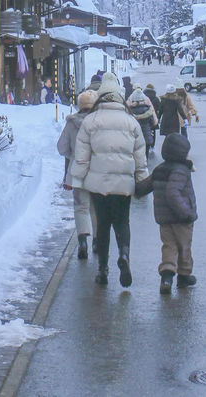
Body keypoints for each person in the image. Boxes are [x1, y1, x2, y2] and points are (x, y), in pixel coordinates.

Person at [71, 72, 148, 287]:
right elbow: (140, 157)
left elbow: (81, 157)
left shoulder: (90, 121)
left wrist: (77, 181)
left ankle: (103, 270)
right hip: (124, 185)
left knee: (103, 226)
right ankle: (124, 255)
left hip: (98, 185)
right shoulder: (131, 122)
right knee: (123, 223)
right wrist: (142, 181)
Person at [135, 132, 197, 294]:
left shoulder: (160, 169)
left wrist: (134, 189)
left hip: (164, 219)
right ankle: (183, 276)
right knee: (184, 246)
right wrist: (186, 212)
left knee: (169, 246)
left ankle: (167, 277)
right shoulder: (181, 170)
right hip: (181, 218)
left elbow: (145, 186)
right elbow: (172, 192)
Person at [57, 89, 99, 259]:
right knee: (96, 208)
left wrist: (72, 155)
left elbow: (62, 147)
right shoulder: (100, 122)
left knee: (81, 207)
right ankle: (97, 240)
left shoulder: (72, 123)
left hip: (78, 171)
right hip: (97, 170)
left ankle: (82, 241)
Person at [127, 84, 159, 159]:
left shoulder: (130, 110)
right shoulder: (148, 109)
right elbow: (154, 122)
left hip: (134, 137)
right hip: (146, 137)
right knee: (145, 156)